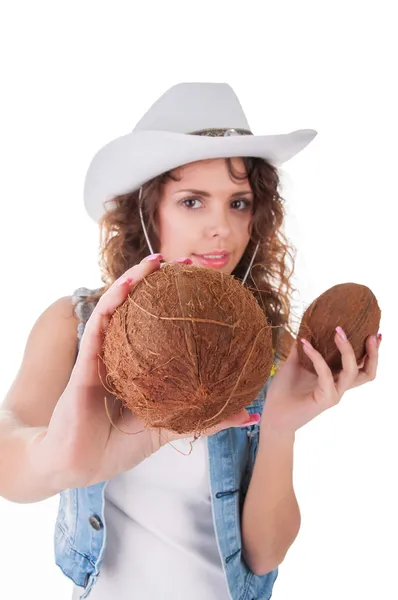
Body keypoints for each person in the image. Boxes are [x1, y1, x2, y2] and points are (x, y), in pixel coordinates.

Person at [0, 82, 381, 600]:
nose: (221, 228)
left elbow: (263, 556)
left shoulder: (269, 353)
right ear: (147, 210)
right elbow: (9, 453)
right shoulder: (77, 326)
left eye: (239, 203)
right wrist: (57, 458)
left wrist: (281, 426)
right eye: (193, 201)